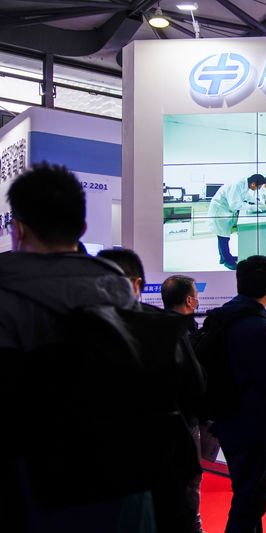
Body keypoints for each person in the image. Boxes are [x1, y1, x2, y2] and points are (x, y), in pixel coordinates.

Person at [0, 163, 148, 532]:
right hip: (121, 478)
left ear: (17, 228)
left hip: (29, 486)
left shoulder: (5, 292)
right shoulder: (119, 290)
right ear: (81, 228)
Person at [100, 249, 206, 533]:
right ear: (136, 285)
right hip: (165, 443)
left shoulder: (77, 326)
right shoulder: (164, 329)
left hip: (102, 459)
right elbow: (195, 390)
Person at [211, 256, 266, 533]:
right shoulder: (258, 326)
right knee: (250, 502)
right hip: (254, 424)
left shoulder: (225, 316)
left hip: (228, 420)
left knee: (246, 494)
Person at [162, 274, 206, 533]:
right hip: (184, 421)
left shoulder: (153, 328)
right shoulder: (187, 332)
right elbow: (195, 382)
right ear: (190, 300)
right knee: (189, 481)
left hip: (158, 419)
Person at [208, 174, 266, 270]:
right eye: (259, 187)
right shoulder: (237, 185)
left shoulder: (244, 185)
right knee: (223, 237)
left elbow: (246, 196)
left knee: (223, 235)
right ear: (253, 184)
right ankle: (227, 261)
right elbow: (234, 205)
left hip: (225, 211)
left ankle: (223, 258)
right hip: (220, 211)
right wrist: (252, 207)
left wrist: (257, 202)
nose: (258, 189)